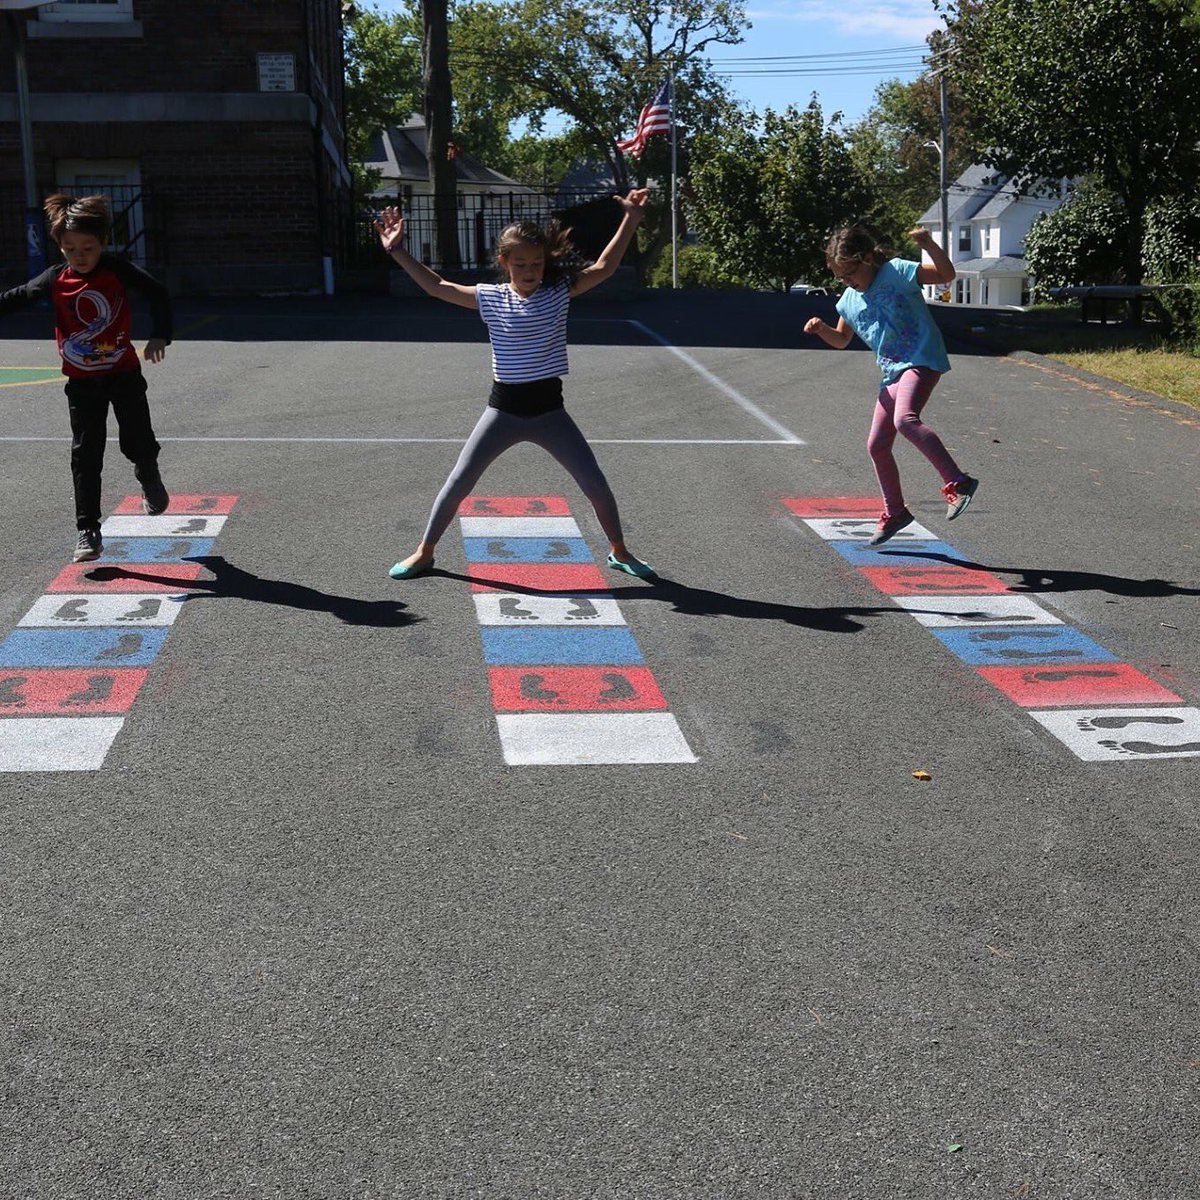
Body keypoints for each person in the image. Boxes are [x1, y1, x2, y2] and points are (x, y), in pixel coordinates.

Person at [374, 190, 655, 580]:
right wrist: (398, 251)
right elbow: (437, 286)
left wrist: (631, 219)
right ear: (504, 262)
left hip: (550, 412)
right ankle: (424, 552)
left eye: (537, 263)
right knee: (459, 480)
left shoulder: (559, 291)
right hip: (502, 411)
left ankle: (620, 551)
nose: (530, 270)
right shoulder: (489, 297)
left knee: (594, 482)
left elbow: (606, 267)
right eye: (520, 263)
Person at [0, 194, 172, 563]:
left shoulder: (117, 270)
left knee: (137, 437)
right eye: (69, 248)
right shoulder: (55, 278)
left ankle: (149, 475)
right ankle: (88, 529)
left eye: (88, 248)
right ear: (60, 247)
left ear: (103, 244)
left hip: (123, 374)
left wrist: (160, 334)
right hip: (82, 383)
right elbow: (17, 297)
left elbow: (157, 293)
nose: (79, 256)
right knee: (86, 453)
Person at [804, 224, 978, 546]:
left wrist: (927, 244)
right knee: (877, 445)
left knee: (905, 420)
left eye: (850, 273)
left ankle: (958, 482)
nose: (847, 281)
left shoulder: (897, 272)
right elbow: (842, 339)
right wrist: (822, 329)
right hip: (892, 374)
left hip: (920, 359)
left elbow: (944, 274)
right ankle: (895, 511)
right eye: (840, 277)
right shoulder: (849, 300)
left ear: (868, 258)